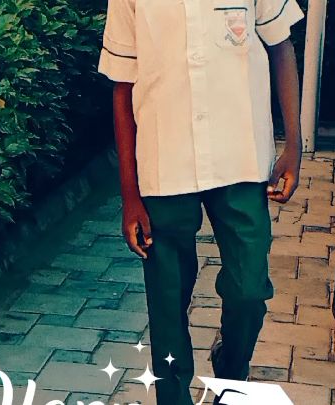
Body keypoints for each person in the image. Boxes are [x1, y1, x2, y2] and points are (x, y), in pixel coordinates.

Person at [98, 1, 304, 404]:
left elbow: (281, 46)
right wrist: (130, 195)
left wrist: (293, 144)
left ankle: (231, 368)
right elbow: (123, 86)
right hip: (165, 161)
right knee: (167, 301)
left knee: (249, 290)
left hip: (240, 157)